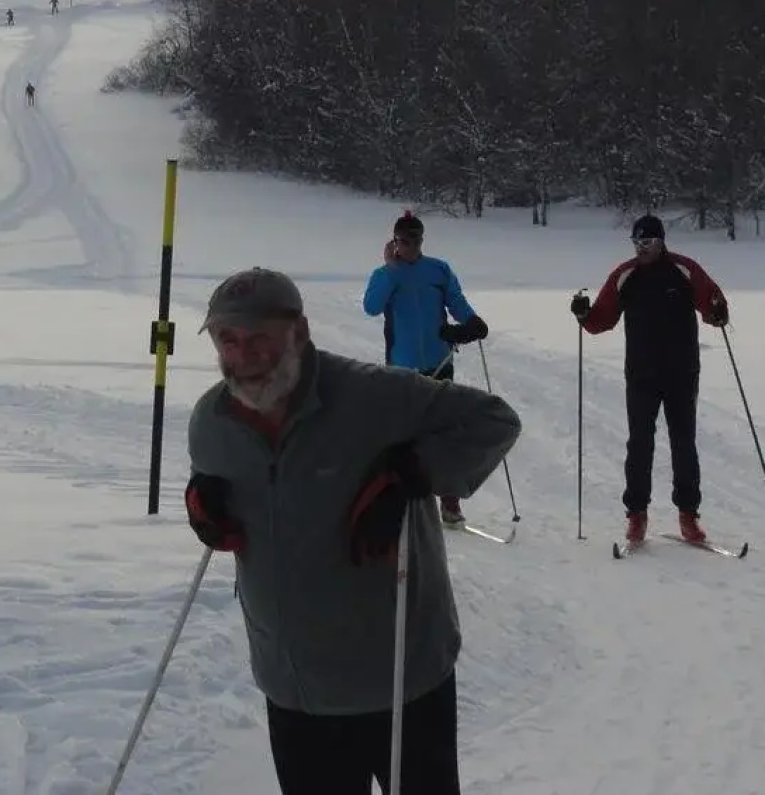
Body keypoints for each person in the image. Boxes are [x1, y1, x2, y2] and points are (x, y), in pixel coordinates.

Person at [186, 267, 520, 794]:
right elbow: (219, 495)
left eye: (260, 339)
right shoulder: (212, 422)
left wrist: (411, 472)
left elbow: (494, 421)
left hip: (401, 679)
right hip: (295, 688)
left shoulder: (375, 396)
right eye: (228, 339)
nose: (243, 355)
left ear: (299, 331)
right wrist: (202, 506)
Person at [571, 213, 729, 545]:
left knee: (683, 442)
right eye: (637, 243)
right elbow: (602, 319)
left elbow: (710, 302)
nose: (642, 249)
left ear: (661, 242)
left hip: (682, 371)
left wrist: (717, 310)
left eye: (648, 242)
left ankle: (688, 516)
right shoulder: (625, 275)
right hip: (641, 373)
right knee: (639, 443)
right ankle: (636, 516)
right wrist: (584, 314)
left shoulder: (684, 270)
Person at [362, 211, 490, 525]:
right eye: (404, 240)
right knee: (404, 434)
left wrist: (471, 323)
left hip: (440, 359)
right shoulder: (384, 274)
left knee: (445, 430)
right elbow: (371, 307)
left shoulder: (438, 270)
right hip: (402, 365)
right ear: (394, 242)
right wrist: (392, 270)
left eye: (416, 239)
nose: (410, 246)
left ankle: (450, 501)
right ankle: (402, 497)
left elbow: (456, 302)